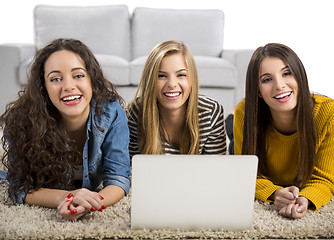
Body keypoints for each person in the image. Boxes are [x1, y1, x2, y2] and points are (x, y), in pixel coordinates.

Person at [0, 38, 131, 221]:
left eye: (78, 75)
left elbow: (118, 178)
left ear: (92, 79)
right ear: (43, 88)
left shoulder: (111, 112)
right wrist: (66, 197)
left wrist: (91, 202)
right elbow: (20, 186)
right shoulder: (20, 120)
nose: (68, 86)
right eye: (55, 79)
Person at [234, 43, 334, 219]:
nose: (279, 85)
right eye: (267, 79)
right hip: (255, 118)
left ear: (299, 76)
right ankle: (229, 118)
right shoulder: (245, 112)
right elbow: (247, 174)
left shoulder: (328, 113)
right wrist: (275, 193)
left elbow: (325, 178)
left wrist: (305, 198)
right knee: (231, 131)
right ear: (257, 90)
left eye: (286, 73)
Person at [127, 40, 226, 156]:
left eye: (181, 75)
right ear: (150, 81)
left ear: (192, 79)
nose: (172, 84)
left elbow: (217, 170)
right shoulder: (137, 111)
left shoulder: (210, 111)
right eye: (161, 76)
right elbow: (132, 169)